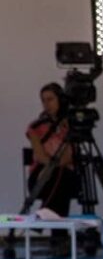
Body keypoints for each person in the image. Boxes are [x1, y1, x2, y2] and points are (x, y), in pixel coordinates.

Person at [25, 82, 78, 218]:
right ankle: (54, 227)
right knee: (58, 177)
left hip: (65, 173)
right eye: (43, 100)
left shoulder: (71, 125)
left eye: (50, 99)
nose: (46, 104)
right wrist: (49, 168)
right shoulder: (35, 127)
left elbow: (68, 157)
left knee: (60, 176)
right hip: (40, 174)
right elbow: (39, 155)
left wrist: (53, 168)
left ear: (60, 100)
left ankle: (43, 217)